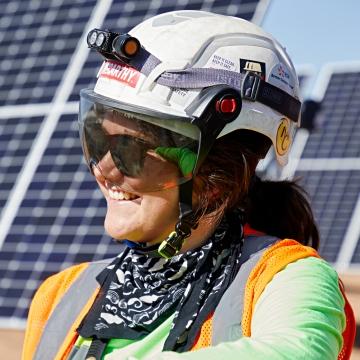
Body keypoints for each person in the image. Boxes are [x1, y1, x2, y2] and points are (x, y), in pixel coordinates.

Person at [22, 10, 355, 360]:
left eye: (132, 151)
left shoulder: (287, 278)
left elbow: (300, 351)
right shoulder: (59, 295)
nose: (103, 169)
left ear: (214, 180)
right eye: (97, 139)